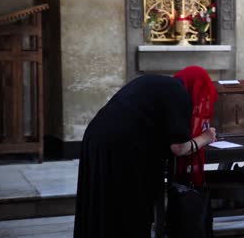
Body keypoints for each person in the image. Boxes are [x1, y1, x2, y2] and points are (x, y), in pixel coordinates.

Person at [73, 65, 218, 238]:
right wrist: (206, 138)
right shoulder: (180, 94)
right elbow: (179, 148)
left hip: (96, 139)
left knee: (102, 203)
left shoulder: (159, 83)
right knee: (129, 207)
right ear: (197, 87)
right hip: (121, 148)